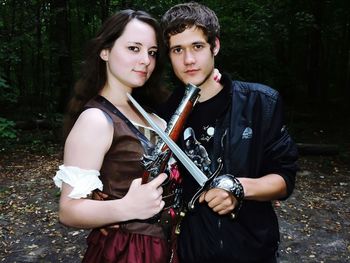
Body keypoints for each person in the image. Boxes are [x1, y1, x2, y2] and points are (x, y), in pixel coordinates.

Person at [158, 2, 299, 263]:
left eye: (197, 47)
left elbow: (284, 178)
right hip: (190, 251)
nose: (189, 60)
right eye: (178, 50)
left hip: (252, 250)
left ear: (215, 46)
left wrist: (238, 187)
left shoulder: (260, 103)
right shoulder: (165, 114)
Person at [53, 9, 177, 263]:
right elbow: (69, 210)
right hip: (127, 252)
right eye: (134, 48)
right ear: (105, 51)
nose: (146, 60)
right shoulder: (96, 119)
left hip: (169, 246)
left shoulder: (155, 117)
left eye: (152, 52)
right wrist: (124, 208)